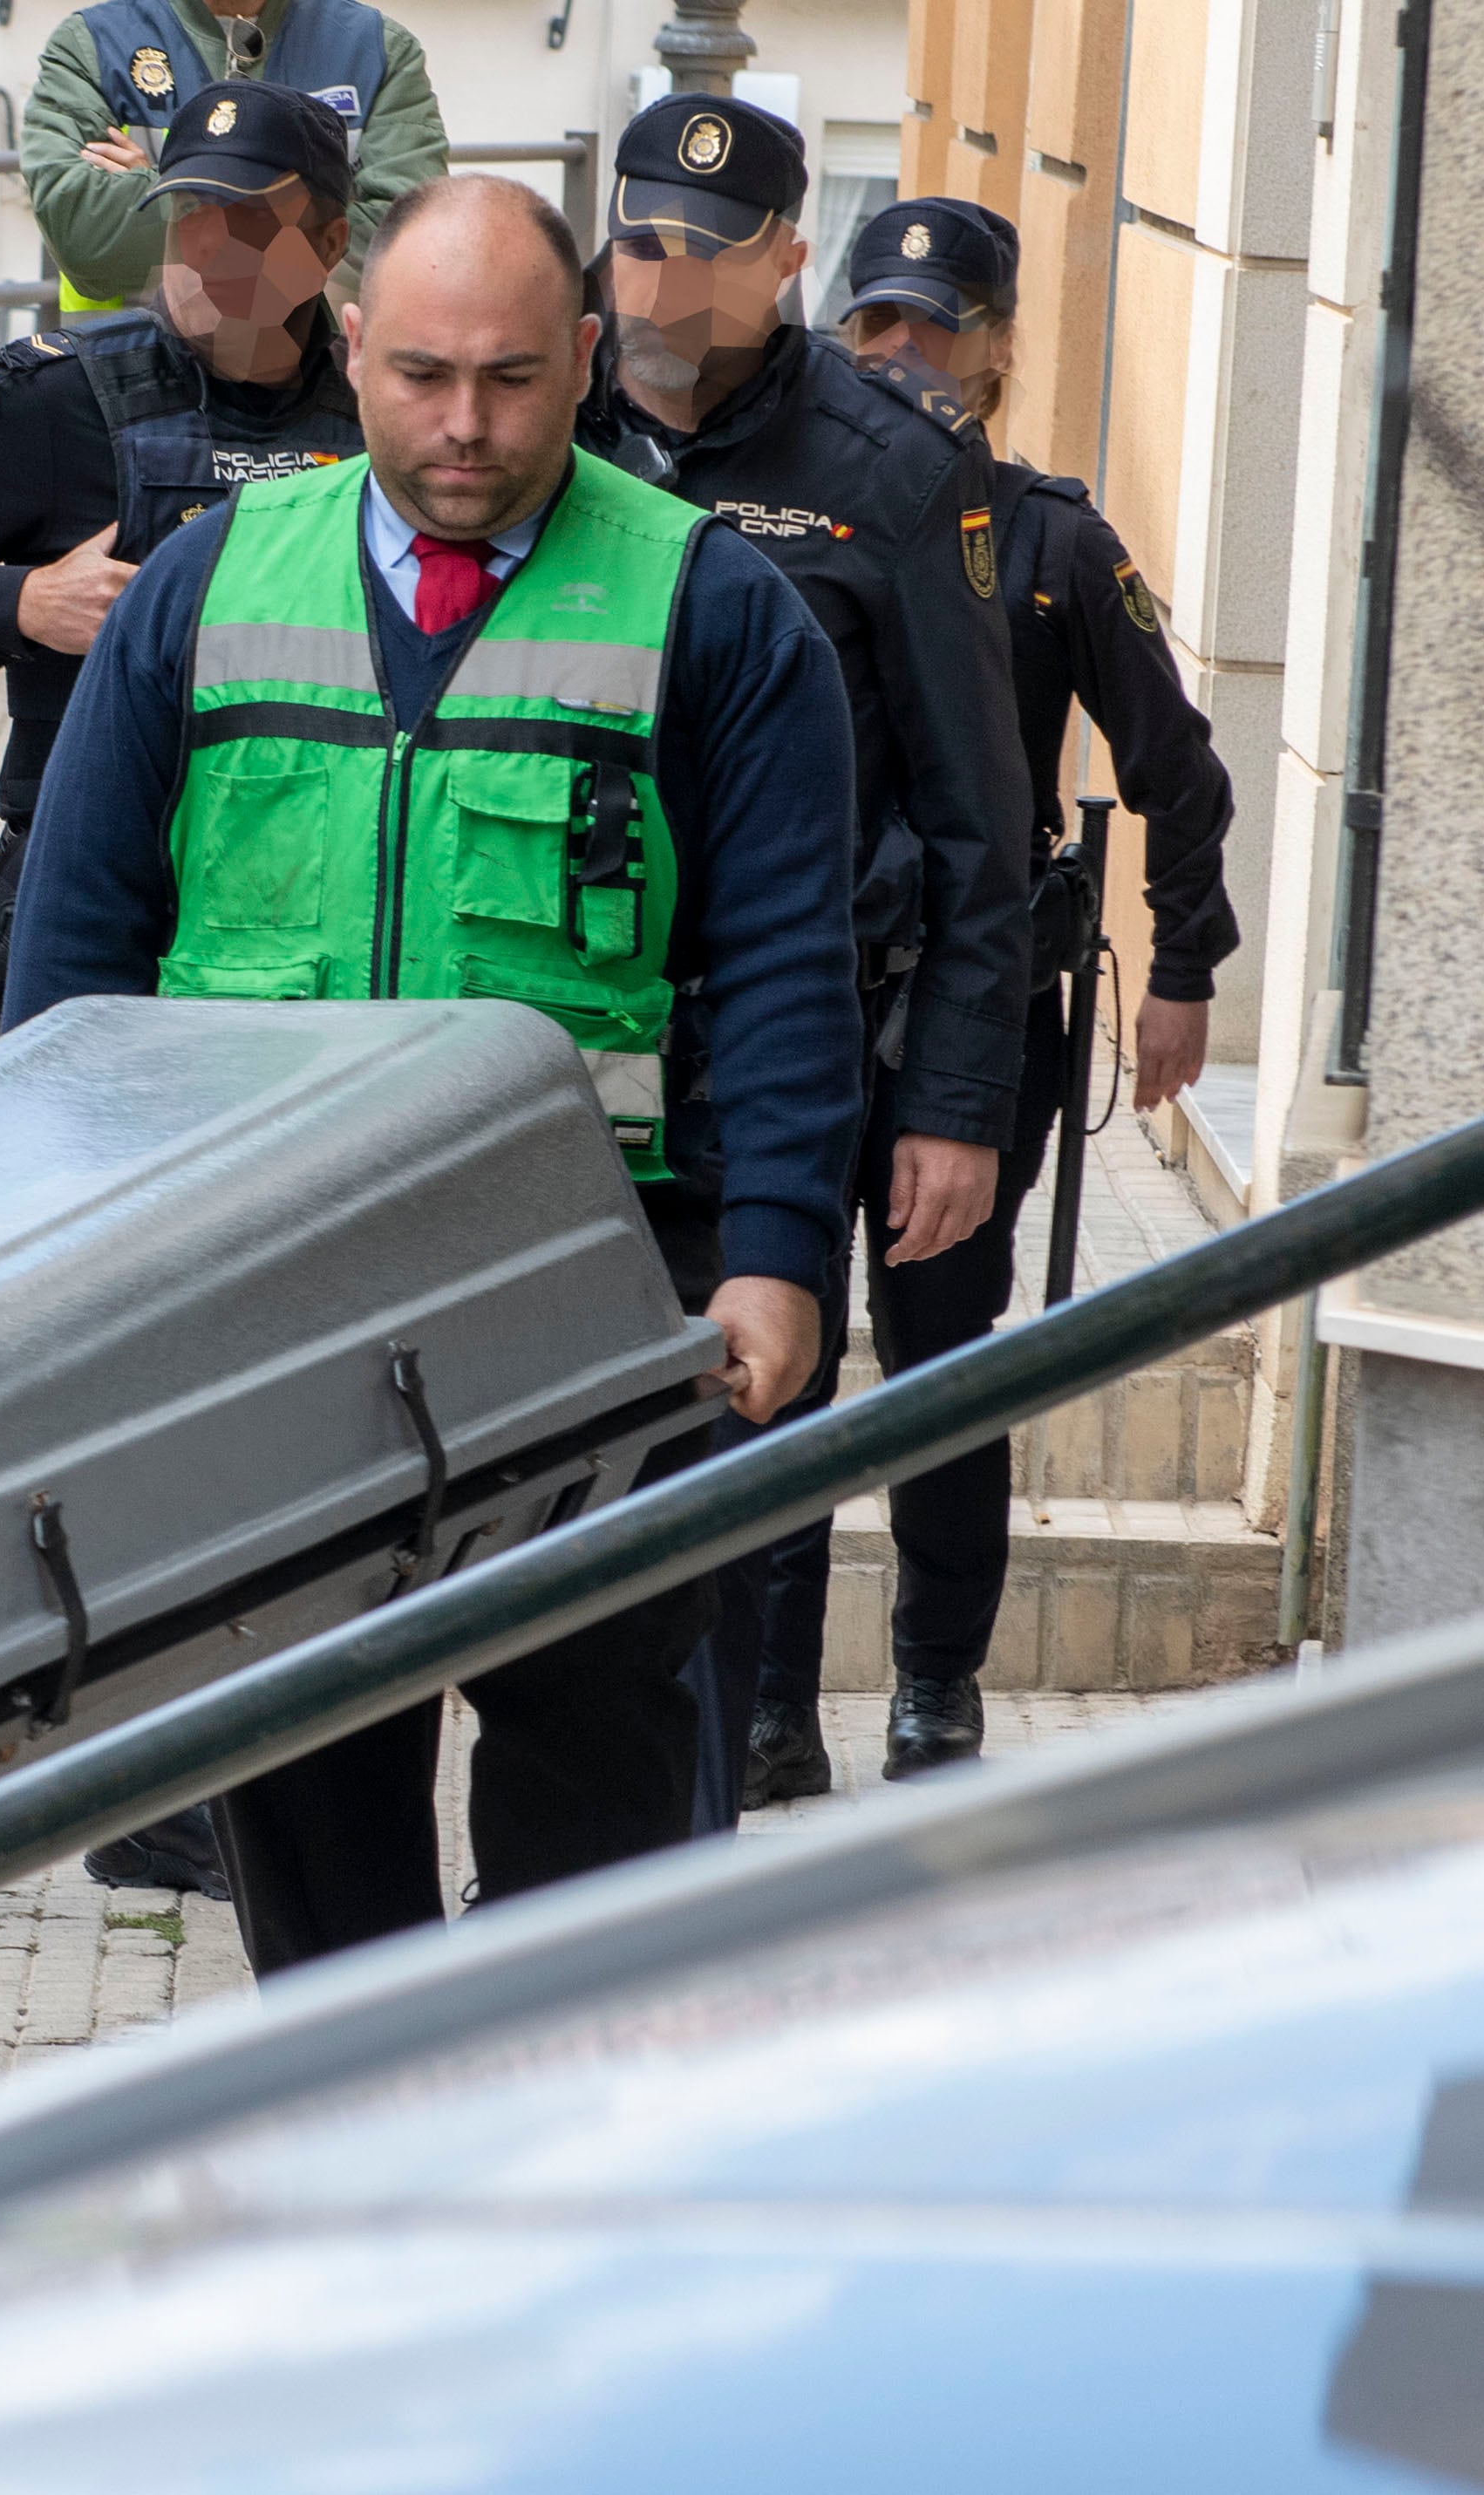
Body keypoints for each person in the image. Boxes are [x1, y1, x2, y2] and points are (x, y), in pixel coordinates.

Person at [3, 174, 864, 1971]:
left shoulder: (712, 610)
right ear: (351, 355)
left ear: (584, 367)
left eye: (507, 378)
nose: (462, 424)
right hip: (272, 1302)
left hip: (601, 1300)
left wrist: (777, 1250)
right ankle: (351, 2167)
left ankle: (548, 2162)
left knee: (599, 1806)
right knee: (308, 1804)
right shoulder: (208, 586)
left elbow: (788, 962)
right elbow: (73, 962)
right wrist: (69, 1277)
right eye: (418, 377)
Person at [734, 198, 1247, 1804]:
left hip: (972, 1018)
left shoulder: (1045, 540)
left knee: (943, 1352)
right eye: (875, 326)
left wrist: (1180, 969)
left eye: (935, 330)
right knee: (775, 1353)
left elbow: (1175, 767)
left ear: (1000, 348)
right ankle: (764, 1705)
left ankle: (934, 1686)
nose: (901, 358)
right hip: (796, 997)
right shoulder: (770, 517)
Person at [568, 99, 1038, 1808]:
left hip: (790, 1046)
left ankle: (699, 1810)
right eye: (640, 238)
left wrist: (960, 1100)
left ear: (784, 257)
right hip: (565, 1041)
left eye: (706, 246)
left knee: (742, 1447)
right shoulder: (542, 421)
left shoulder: (892, 474)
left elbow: (984, 819)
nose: (664, 277)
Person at [0, 78, 366, 1033]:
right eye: (190, 212)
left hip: (324, 891)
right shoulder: (56, 397)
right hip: (97, 896)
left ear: (328, 245)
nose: (209, 249)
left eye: (249, 220)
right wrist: (20, 603)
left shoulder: (384, 414)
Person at [19, 0, 446, 313]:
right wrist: (300, 218)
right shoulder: (92, 47)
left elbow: (403, 252)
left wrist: (168, 193)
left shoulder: (378, 51)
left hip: (322, 406)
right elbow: (87, 239)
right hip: (139, 402)